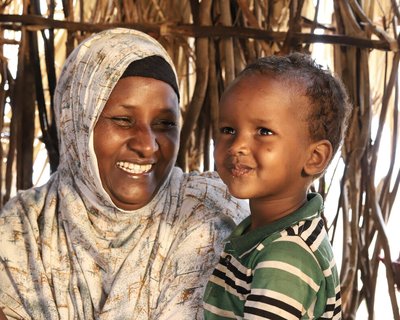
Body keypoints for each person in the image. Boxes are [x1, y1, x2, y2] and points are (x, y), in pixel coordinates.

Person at [0, 28, 249, 320]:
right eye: (123, 120)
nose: (147, 145)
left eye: (165, 123)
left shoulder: (208, 217)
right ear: (77, 125)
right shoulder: (22, 233)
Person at [203, 53, 352, 319]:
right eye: (228, 130)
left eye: (263, 131)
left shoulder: (286, 256)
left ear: (314, 157)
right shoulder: (265, 232)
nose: (237, 146)